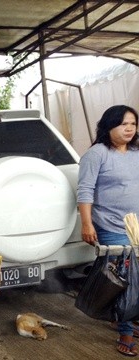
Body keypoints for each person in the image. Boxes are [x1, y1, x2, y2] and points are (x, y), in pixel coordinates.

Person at [77, 104, 139, 357]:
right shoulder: (97, 154)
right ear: (108, 125)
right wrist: (87, 223)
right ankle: (126, 329)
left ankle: (122, 318)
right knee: (123, 279)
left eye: (133, 124)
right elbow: (85, 190)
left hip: (136, 225)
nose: (129, 128)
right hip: (111, 224)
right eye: (123, 123)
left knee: (137, 277)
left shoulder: (136, 153)